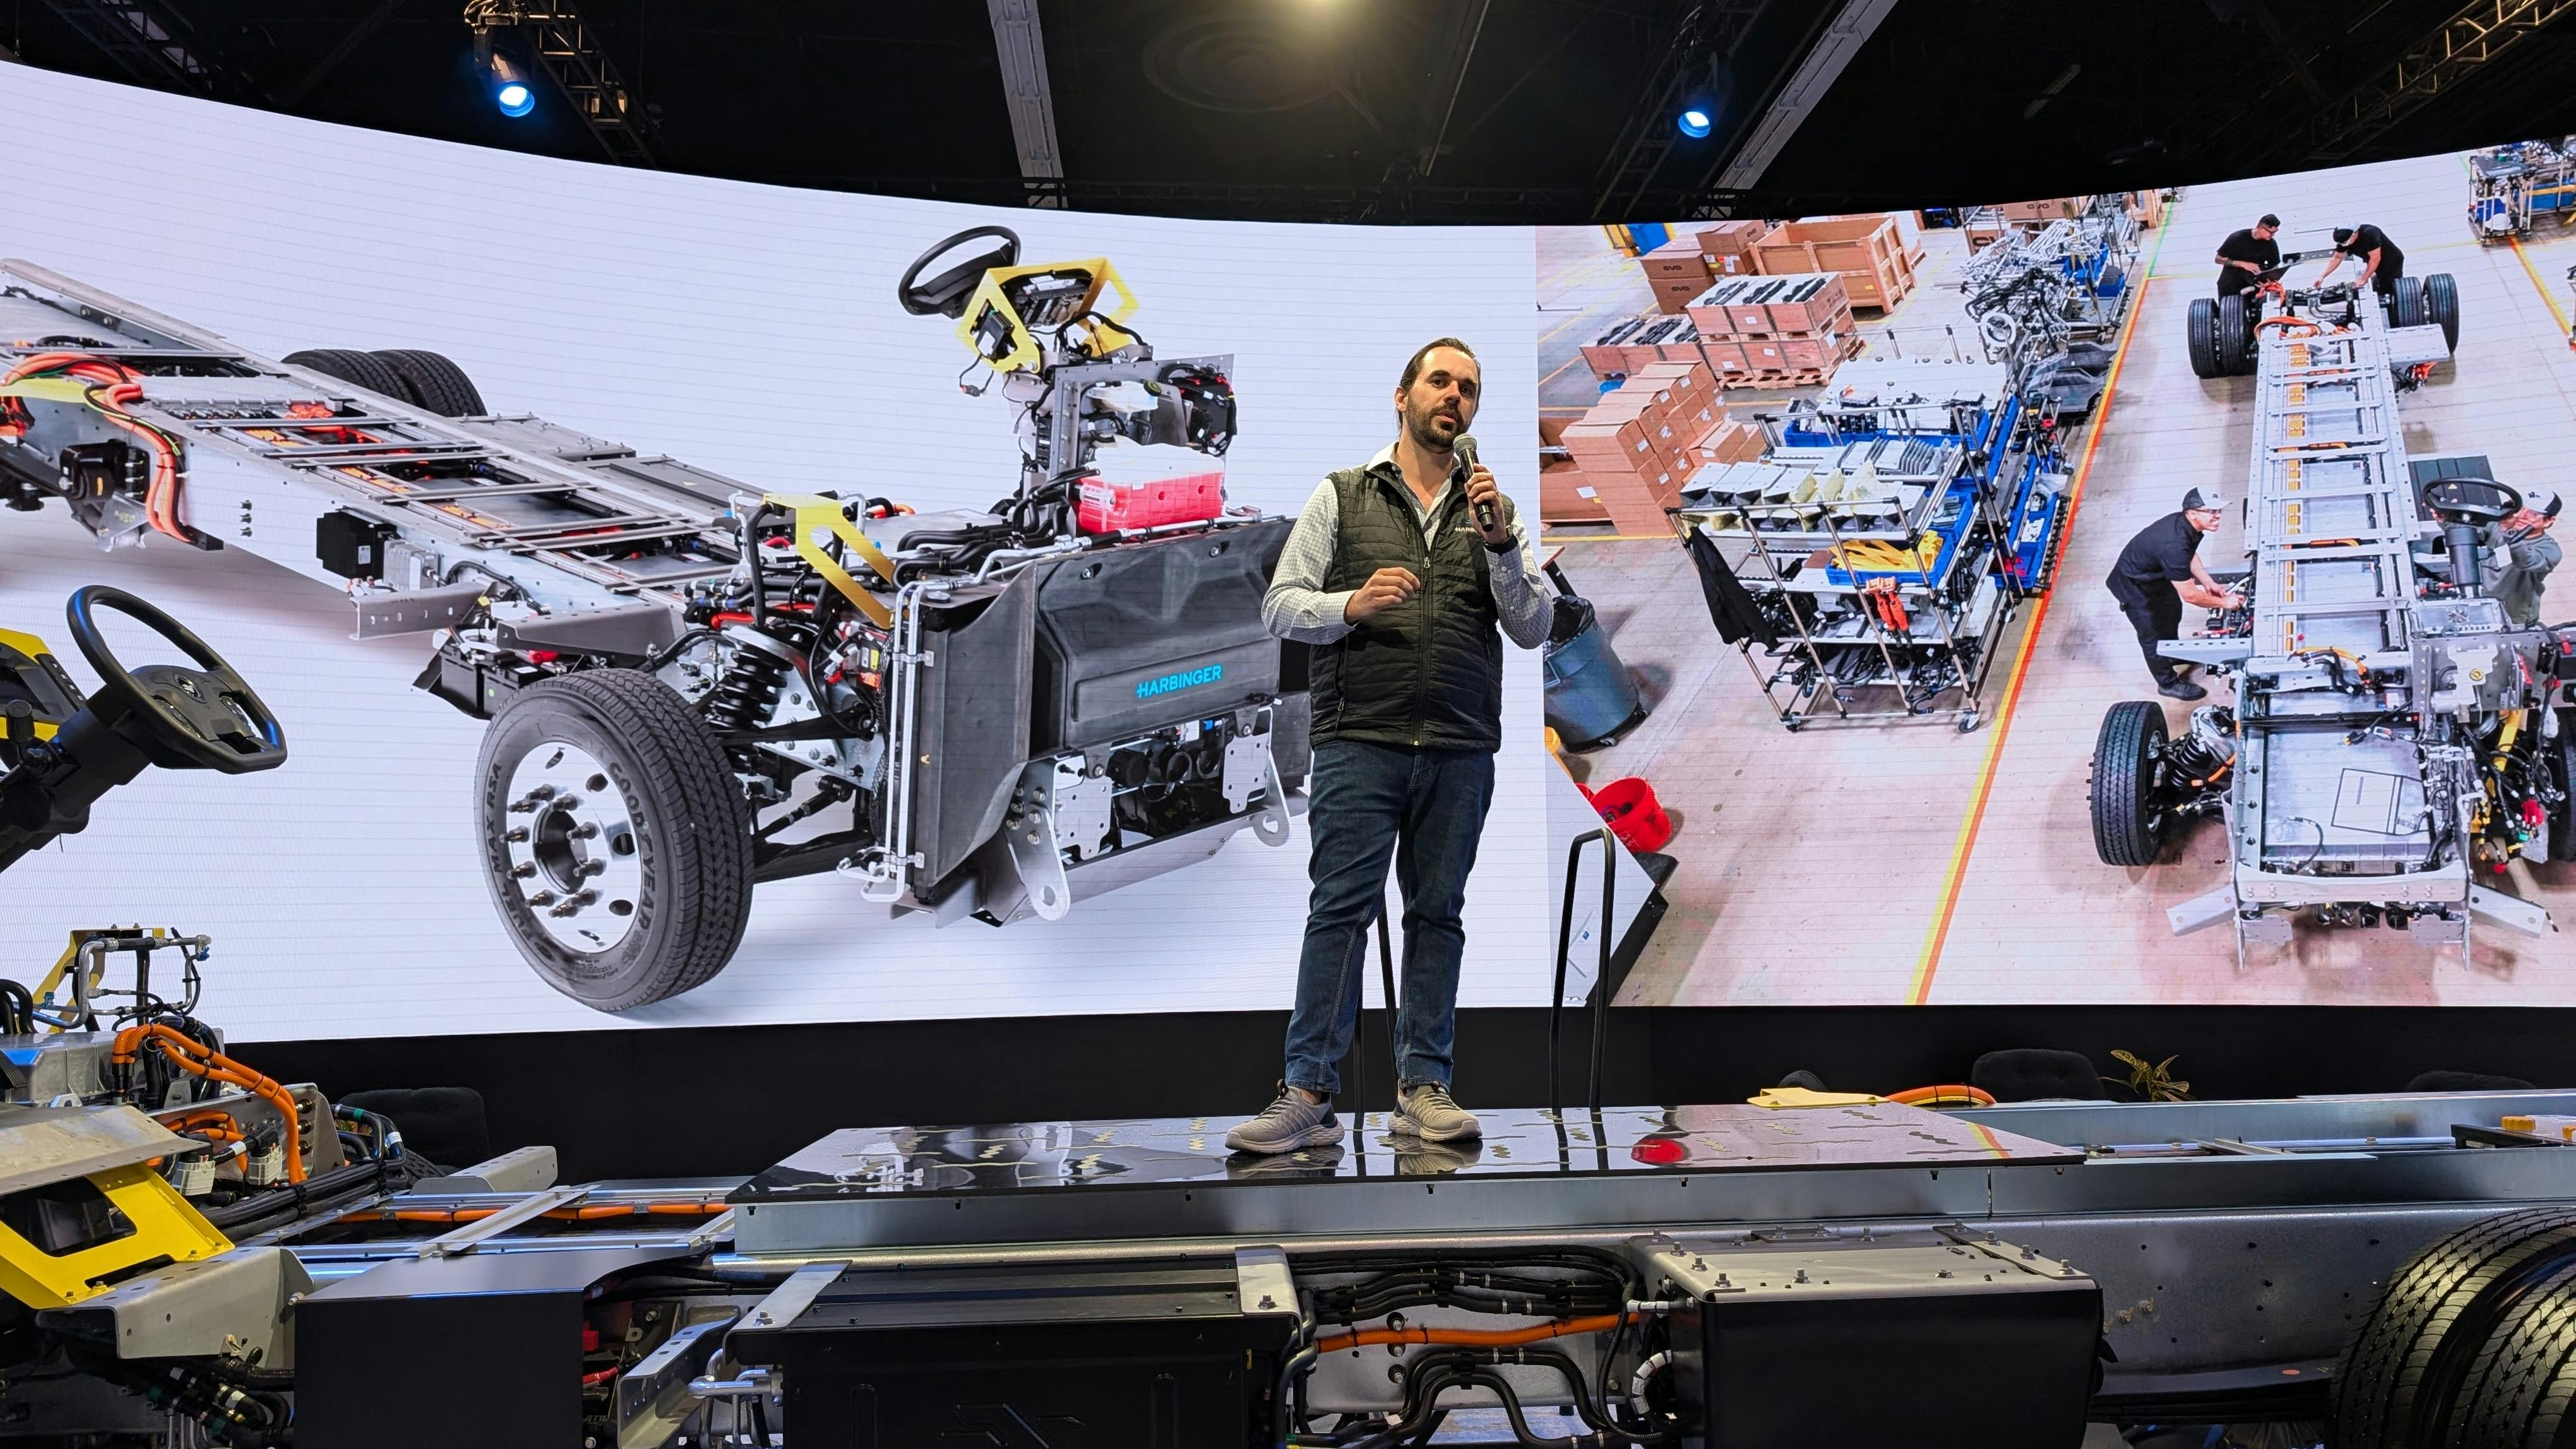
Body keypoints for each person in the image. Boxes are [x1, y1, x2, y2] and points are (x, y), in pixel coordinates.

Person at [1227, 338, 1550, 1156]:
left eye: (1469, 388)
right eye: (1440, 381)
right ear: (1402, 395)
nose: (1455, 396)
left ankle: (1424, 1088)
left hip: (1458, 743)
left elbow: (1533, 625)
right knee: (1338, 912)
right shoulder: (1341, 496)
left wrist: (1503, 545)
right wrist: (1351, 604)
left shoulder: (1495, 511)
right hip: (1358, 739)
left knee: (1437, 915)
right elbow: (1279, 608)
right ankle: (1307, 1095)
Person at [2107, 487, 2241, 701]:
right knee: (2151, 635)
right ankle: (2167, 684)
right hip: (2135, 589)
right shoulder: (2173, 544)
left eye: (2219, 511)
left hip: (2156, 578)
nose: (2217, 516)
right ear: (2192, 513)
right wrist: (2225, 603)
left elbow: (2189, 553)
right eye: (2211, 511)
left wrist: (2208, 582)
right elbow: (2191, 595)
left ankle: (2171, 654)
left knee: (2171, 613)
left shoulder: (2186, 526)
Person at [2490, 486, 2563, 628]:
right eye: (2520, 509)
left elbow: (2526, 561)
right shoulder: (2497, 527)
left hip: (2514, 620)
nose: (2522, 516)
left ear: (2548, 521)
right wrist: (2446, 518)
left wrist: (2509, 534)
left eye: (2533, 514)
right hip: (2475, 610)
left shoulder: (2550, 550)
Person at [2313, 224, 2406, 305]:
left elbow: (2375, 258)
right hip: (2372, 261)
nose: (2343, 246)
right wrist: (2322, 276)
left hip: (2391, 260)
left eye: (2345, 243)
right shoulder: (2345, 240)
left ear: (2354, 235)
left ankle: (2391, 309)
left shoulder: (2370, 233)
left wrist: (2363, 279)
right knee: (2378, 284)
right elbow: (2337, 258)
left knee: (2389, 288)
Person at [2214, 214, 2282, 308]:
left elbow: (2274, 268)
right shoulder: (2237, 238)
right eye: (2271, 232)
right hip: (2230, 285)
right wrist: (2242, 264)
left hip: (2253, 287)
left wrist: (2270, 282)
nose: (2273, 235)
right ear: (2261, 228)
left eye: (2275, 232)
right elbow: (2218, 259)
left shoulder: (2271, 245)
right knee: (2230, 314)